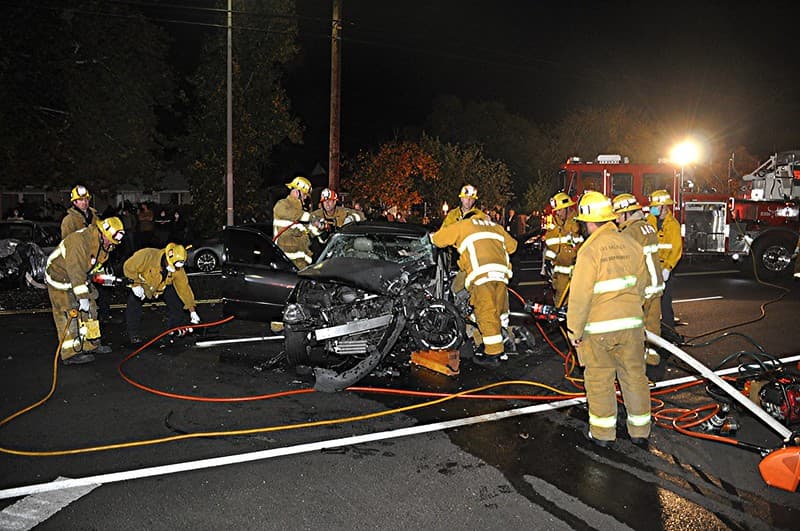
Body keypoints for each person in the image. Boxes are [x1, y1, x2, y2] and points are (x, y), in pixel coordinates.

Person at [567, 191, 651, 447]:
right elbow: (643, 286)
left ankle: (603, 435)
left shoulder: (589, 250)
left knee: (600, 378)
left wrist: (574, 332)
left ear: (590, 222)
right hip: (632, 327)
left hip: (598, 330)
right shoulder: (631, 244)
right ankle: (640, 431)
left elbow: (580, 298)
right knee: (635, 376)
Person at [430, 216, 517, 368]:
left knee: (486, 312)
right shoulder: (495, 227)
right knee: (499, 311)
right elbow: (513, 246)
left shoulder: (465, 224)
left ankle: (493, 353)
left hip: (482, 275)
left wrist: (430, 237)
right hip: (501, 275)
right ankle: (502, 346)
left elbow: (439, 239)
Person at [45, 217, 125, 365]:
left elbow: (92, 268)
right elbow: (76, 271)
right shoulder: (79, 242)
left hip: (80, 278)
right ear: (101, 233)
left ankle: (91, 344)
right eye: (109, 241)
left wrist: (104, 278)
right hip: (60, 278)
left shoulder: (101, 244)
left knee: (91, 310)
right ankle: (70, 353)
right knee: (68, 314)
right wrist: (81, 297)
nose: (111, 245)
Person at [612, 193, 665, 366]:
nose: (617, 220)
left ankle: (636, 359)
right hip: (656, 285)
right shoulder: (647, 227)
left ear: (627, 214)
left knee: (635, 325)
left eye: (619, 215)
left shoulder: (630, 232)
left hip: (642, 287)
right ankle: (652, 356)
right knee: (653, 323)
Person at [123, 242, 200, 346]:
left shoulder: (178, 269)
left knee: (176, 304)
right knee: (133, 305)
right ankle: (134, 334)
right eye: (172, 265)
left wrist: (192, 310)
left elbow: (184, 288)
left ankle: (173, 331)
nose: (174, 269)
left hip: (162, 287)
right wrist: (136, 285)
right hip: (143, 285)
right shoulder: (147, 255)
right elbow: (128, 267)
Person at [60, 185, 115, 322]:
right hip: (81, 263)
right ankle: (83, 322)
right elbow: (68, 245)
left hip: (96, 260)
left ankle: (104, 315)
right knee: (83, 294)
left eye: (86, 199)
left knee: (103, 287)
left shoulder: (95, 217)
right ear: (74, 202)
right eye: (81, 200)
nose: (85, 202)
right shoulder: (69, 221)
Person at [646, 190, 683, 339]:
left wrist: (667, 268)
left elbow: (676, 249)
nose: (653, 209)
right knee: (649, 303)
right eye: (653, 206)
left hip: (664, 268)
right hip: (650, 267)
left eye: (656, 206)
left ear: (664, 207)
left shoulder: (673, 225)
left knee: (665, 304)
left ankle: (669, 334)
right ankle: (651, 332)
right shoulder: (650, 220)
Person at [542, 192, 584, 307]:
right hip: (559, 274)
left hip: (573, 274)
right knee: (559, 304)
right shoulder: (555, 225)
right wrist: (547, 261)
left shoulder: (577, 224)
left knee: (572, 304)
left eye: (560, 210)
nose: (558, 213)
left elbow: (581, 248)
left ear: (567, 208)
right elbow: (551, 244)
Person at [272, 175, 321, 269]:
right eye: (304, 194)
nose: (305, 198)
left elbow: (309, 232)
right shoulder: (282, 204)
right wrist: (311, 217)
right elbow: (294, 214)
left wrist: (318, 227)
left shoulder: (301, 212)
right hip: (286, 264)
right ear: (297, 192)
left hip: (302, 265)